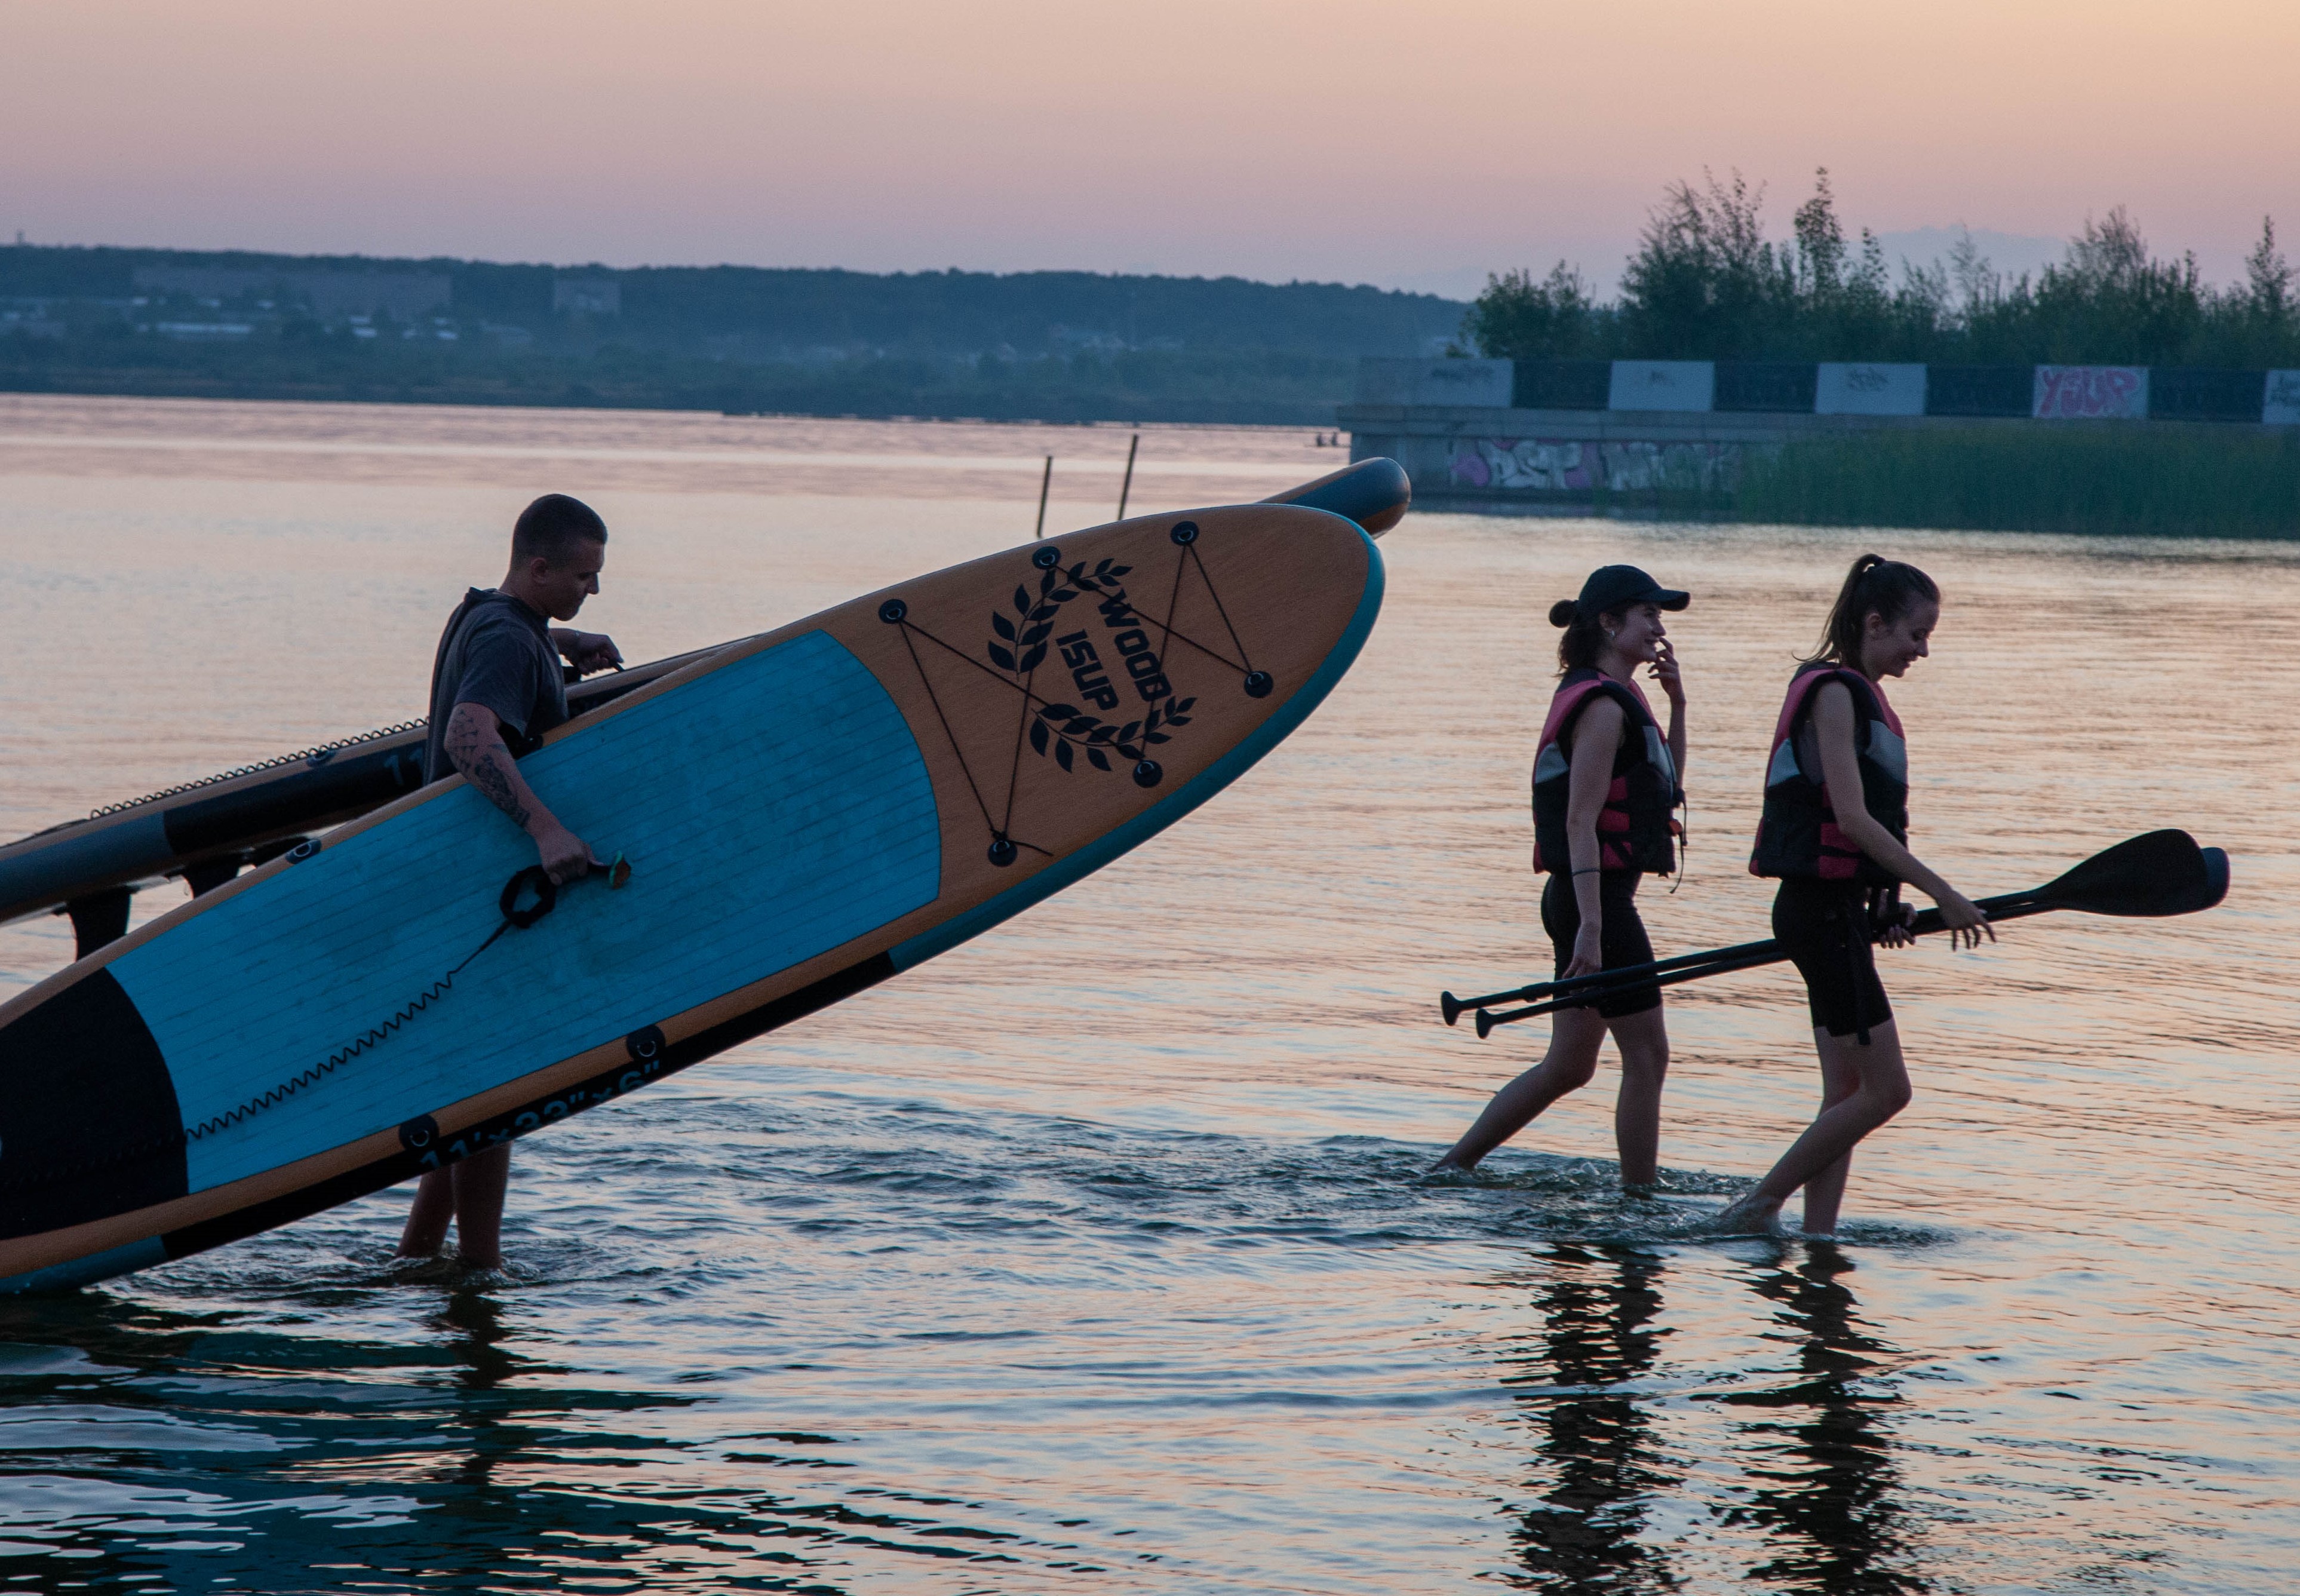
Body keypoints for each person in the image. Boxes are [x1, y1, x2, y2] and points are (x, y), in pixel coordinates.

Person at [1716, 554, 1992, 1237]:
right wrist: (1943, 891)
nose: (1921, 650)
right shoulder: (1835, 692)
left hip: (1833, 912)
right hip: (1814, 915)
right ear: (1873, 623)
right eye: (1915, 633)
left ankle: (1818, 1237)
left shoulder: (1859, 694)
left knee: (1844, 1092)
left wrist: (1884, 903)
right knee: (1887, 1090)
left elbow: (1862, 834)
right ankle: (1755, 1206)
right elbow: (1850, 817)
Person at [397, 493, 623, 1269]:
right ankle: (480, 1273)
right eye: (582, 579)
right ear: (538, 567)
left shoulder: (490, 616)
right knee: (493, 1094)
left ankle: (420, 1255)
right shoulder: (507, 638)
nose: (591, 591)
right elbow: (469, 734)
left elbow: (506, 640)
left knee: (471, 1086)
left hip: (452, 891)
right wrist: (543, 826)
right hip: (480, 888)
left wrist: (560, 642)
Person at [1436, 564, 1688, 1186]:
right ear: (1609, 622)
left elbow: (1666, 789)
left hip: (1581, 901)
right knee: (1648, 1054)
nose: (1659, 628)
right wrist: (1593, 929)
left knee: (1569, 1065)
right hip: (1593, 902)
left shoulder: (1613, 697)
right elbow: (1580, 823)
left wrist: (1679, 704)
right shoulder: (1601, 707)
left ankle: (1450, 1166)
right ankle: (1639, 1199)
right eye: (1648, 615)